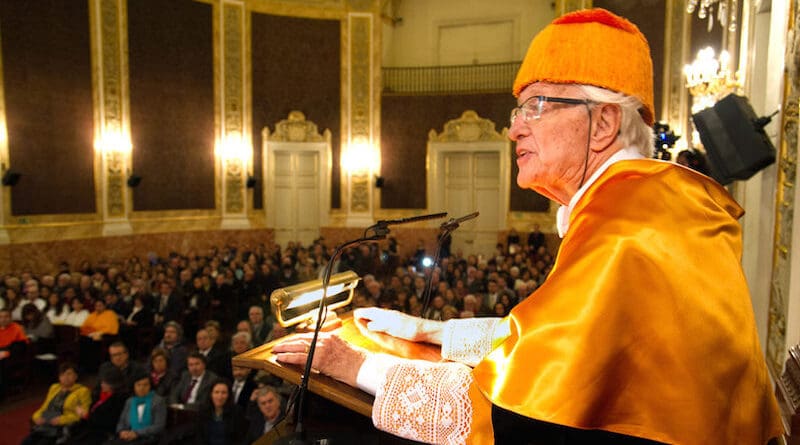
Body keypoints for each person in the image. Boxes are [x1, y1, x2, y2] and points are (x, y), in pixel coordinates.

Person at [273, 9, 783, 444]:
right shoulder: (643, 201)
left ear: (603, 124)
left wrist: (353, 366)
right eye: (518, 109)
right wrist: (436, 333)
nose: (514, 127)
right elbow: (555, 346)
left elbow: (514, 415)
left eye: (537, 105)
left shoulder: (626, 231)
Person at [23, 362, 91, 445]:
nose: (65, 377)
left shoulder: (83, 391)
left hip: (63, 423)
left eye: (69, 374)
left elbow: (83, 416)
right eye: (62, 375)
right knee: (27, 441)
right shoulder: (54, 387)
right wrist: (37, 417)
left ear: (76, 376)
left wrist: (61, 420)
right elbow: (44, 407)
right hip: (48, 418)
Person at [63, 367, 128, 445]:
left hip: (101, 433)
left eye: (105, 383)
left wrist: (86, 415)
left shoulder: (120, 399)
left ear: (114, 384)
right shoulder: (99, 394)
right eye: (102, 382)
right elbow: (92, 410)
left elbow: (109, 421)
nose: (102, 384)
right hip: (88, 428)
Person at [106, 372, 166, 445]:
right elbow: (122, 421)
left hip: (148, 438)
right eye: (138, 385)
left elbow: (159, 426)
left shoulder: (158, 401)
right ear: (134, 386)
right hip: (129, 436)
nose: (141, 388)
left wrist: (136, 433)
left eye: (145, 385)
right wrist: (122, 431)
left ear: (150, 386)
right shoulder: (130, 401)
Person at [195, 379, 248, 445]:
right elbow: (199, 438)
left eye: (224, 393)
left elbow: (240, 439)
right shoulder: (202, 411)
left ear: (229, 395)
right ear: (211, 394)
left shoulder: (237, 412)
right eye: (216, 392)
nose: (220, 397)